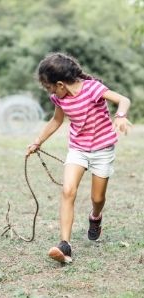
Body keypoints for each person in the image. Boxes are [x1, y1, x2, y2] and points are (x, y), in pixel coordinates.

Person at [26, 52, 131, 263]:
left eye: (50, 88)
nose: (50, 92)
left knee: (97, 198)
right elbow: (56, 121)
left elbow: (123, 99)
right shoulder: (59, 98)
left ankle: (95, 217)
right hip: (78, 149)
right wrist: (38, 141)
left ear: (60, 84)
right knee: (68, 190)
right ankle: (65, 244)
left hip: (103, 150)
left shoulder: (92, 89)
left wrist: (120, 116)